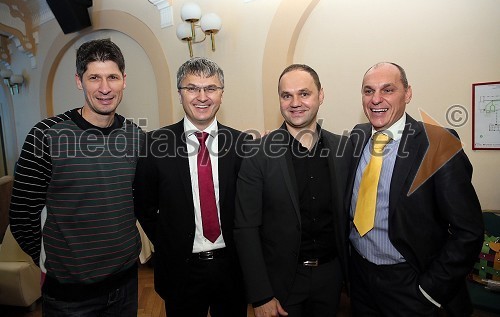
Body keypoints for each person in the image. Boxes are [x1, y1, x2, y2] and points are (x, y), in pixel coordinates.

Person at [9, 38, 144, 316]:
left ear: (124, 80)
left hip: (127, 286)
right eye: (94, 77)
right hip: (70, 298)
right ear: (79, 81)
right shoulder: (45, 135)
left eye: (112, 77)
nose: (104, 88)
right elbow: (22, 215)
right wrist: (55, 262)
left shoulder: (136, 136)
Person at [347, 62, 484, 316]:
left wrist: (431, 289)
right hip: (360, 279)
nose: (376, 99)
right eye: (368, 91)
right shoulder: (358, 136)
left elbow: (469, 230)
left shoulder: (439, 143)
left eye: (388, 90)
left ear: (408, 93)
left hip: (410, 283)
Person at [133, 57, 248, 317]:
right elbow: (144, 204)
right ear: (179, 94)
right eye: (192, 88)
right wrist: (168, 241)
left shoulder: (243, 144)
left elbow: (250, 206)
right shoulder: (154, 144)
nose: (202, 96)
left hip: (232, 268)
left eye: (211, 88)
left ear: (221, 94)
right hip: (180, 270)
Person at [234, 64, 351, 317]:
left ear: (321, 95)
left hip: (332, 278)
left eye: (304, 94)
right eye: (286, 95)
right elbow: (245, 229)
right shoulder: (257, 153)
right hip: (281, 283)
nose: (295, 102)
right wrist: (261, 294)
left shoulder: (344, 149)